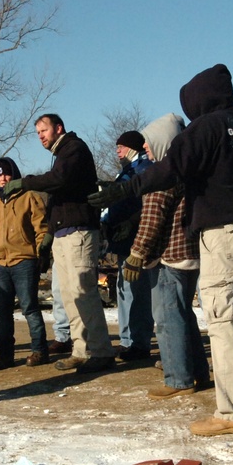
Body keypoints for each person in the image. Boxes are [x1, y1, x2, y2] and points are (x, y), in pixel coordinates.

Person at [89, 64, 233, 435]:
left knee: (224, 322)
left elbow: (171, 168)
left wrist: (127, 188)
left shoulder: (208, 126)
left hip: (224, 232)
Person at [3, 114, 115, 373]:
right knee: (68, 296)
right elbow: (57, 195)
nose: (40, 135)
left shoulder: (74, 149)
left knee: (82, 292)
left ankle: (101, 351)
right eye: (38, 132)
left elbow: (58, 179)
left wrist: (25, 183)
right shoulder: (61, 154)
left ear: (58, 128)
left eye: (44, 130)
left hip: (79, 233)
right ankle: (80, 350)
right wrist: (49, 235)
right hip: (64, 233)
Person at [123, 113, 210, 399]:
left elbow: (152, 217)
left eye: (148, 142)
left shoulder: (163, 173)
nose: (144, 147)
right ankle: (198, 372)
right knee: (184, 315)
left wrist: (137, 254)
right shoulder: (190, 169)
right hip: (192, 253)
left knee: (168, 318)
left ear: (163, 142)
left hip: (170, 256)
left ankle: (177, 378)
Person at [0, 157, 49, 370]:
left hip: (25, 261)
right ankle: (5, 356)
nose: (3, 178)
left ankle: (39, 350)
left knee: (29, 307)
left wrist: (43, 253)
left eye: (7, 174)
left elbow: (42, 228)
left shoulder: (30, 197)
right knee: (2, 312)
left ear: (14, 174)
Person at [102, 130, 154, 363]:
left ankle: (139, 343)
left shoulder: (143, 169)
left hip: (137, 241)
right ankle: (128, 341)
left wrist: (130, 221)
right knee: (125, 292)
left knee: (138, 294)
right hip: (123, 242)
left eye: (121, 146)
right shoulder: (126, 172)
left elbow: (144, 204)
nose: (117, 151)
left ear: (132, 147)